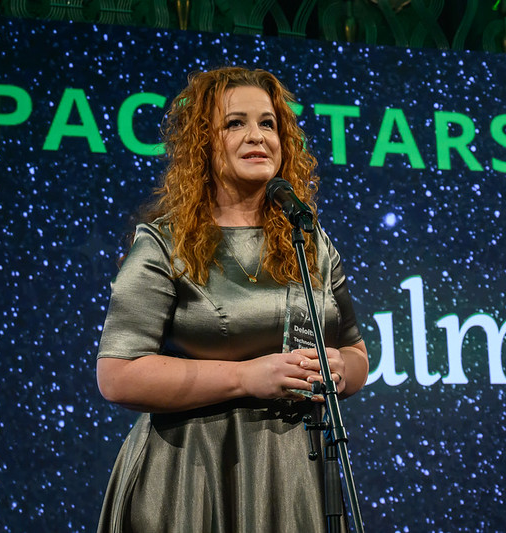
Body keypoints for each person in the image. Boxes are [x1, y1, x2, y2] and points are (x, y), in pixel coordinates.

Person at [95, 66, 368, 532]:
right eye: (235, 123)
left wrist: (340, 370)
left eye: (268, 123)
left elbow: (355, 352)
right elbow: (118, 375)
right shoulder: (165, 245)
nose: (257, 136)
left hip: (296, 474)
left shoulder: (310, 242)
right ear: (204, 142)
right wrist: (246, 377)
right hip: (193, 475)